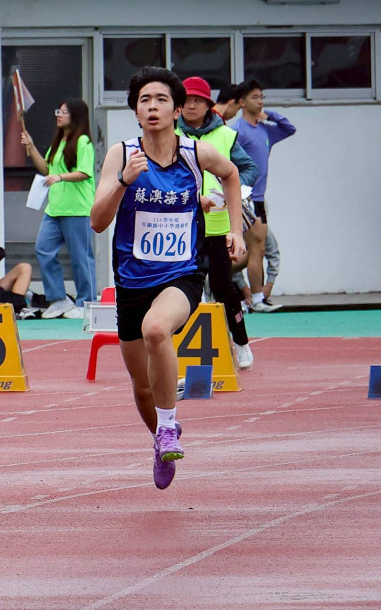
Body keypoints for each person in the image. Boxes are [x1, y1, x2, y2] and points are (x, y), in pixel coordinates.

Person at [91, 67, 244, 491]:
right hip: (132, 280)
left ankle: (170, 425)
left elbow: (231, 175)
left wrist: (234, 228)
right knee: (141, 388)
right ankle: (160, 439)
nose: (152, 106)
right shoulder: (122, 156)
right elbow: (98, 222)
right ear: (136, 113)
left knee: (157, 329)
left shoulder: (196, 155)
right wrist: (124, 182)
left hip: (182, 274)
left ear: (177, 110)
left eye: (161, 99)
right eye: (144, 100)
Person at [177, 76, 259, 369]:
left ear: (208, 105)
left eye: (197, 100)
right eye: (186, 100)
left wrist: (236, 191)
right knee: (184, 287)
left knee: (224, 285)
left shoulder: (225, 135)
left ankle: (241, 343)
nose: (191, 106)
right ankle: (182, 348)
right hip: (180, 225)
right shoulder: (170, 133)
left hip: (217, 224)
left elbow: (247, 168)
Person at [20, 98, 97, 320]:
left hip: (78, 209)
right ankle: (58, 299)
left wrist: (60, 177)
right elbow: (46, 169)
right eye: (58, 110)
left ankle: (86, 302)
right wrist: (31, 146)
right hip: (54, 209)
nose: (58, 115)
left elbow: (84, 172)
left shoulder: (84, 142)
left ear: (76, 115)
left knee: (80, 257)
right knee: (43, 249)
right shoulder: (58, 142)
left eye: (62, 111)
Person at [230, 80, 296, 312]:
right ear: (242, 102)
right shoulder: (237, 129)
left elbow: (289, 128)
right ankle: (251, 297)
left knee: (257, 249)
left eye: (261, 97)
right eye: (255, 97)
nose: (260, 101)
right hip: (245, 196)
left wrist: (270, 115)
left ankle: (251, 298)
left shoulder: (265, 129)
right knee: (250, 249)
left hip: (259, 198)